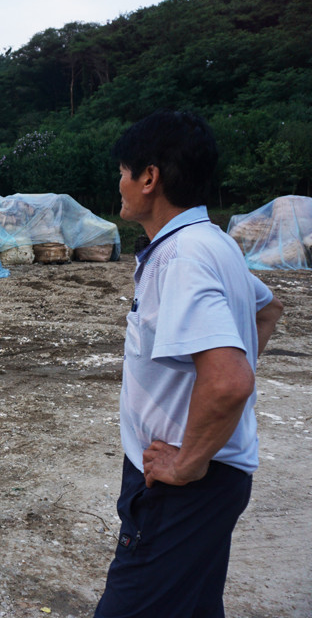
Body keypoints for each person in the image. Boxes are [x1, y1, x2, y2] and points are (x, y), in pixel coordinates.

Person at [94, 111, 284, 617]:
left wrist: (187, 460)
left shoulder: (182, 257)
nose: (120, 183)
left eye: (123, 171)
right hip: (214, 481)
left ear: (149, 178)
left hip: (184, 487)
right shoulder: (213, 242)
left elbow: (228, 383)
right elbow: (266, 310)